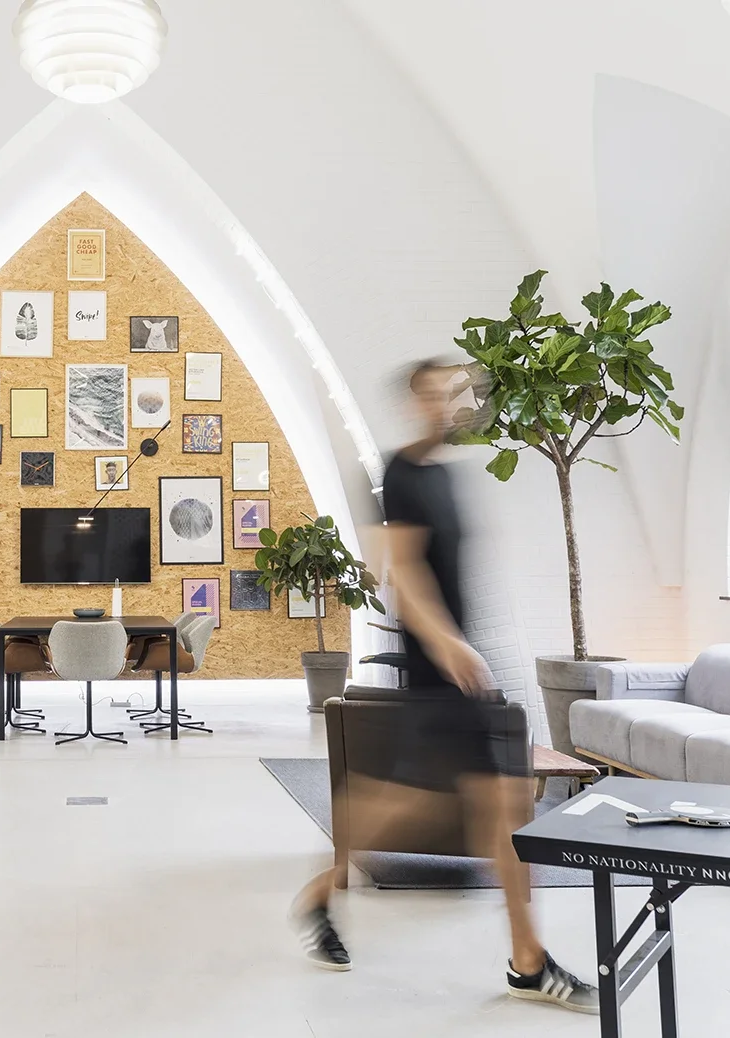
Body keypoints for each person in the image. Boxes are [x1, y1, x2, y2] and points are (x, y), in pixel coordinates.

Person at [288, 358, 597, 1014]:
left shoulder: (449, 476)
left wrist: (464, 646)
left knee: (494, 807)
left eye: (453, 394)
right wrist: (447, 642)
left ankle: (526, 960)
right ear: (413, 403)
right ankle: (324, 895)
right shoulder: (400, 475)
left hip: (460, 670)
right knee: (436, 806)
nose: (446, 406)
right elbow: (403, 574)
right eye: (432, 396)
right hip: (438, 671)